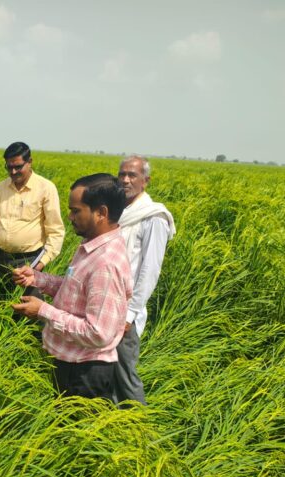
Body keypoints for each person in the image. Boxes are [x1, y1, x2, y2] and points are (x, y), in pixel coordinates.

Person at [11, 174, 132, 401]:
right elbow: (74, 290)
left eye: (76, 211)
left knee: (75, 434)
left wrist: (43, 311)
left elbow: (98, 334)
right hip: (71, 363)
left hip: (85, 375)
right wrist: (37, 279)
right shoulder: (90, 245)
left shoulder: (106, 263)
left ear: (101, 213)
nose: (70, 216)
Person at [115, 155, 176, 406]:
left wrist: (130, 313)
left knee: (125, 372)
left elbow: (150, 271)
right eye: (122, 175)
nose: (126, 180)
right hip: (107, 304)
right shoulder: (119, 209)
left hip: (126, 310)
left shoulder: (154, 217)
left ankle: (140, 428)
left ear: (146, 181)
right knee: (107, 371)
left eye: (133, 175)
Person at [0, 142, 65, 299]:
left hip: (30, 259)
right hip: (1, 258)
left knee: (28, 306)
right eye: (9, 167)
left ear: (29, 162)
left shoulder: (46, 188)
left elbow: (56, 230)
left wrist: (38, 265)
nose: (13, 172)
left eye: (18, 167)